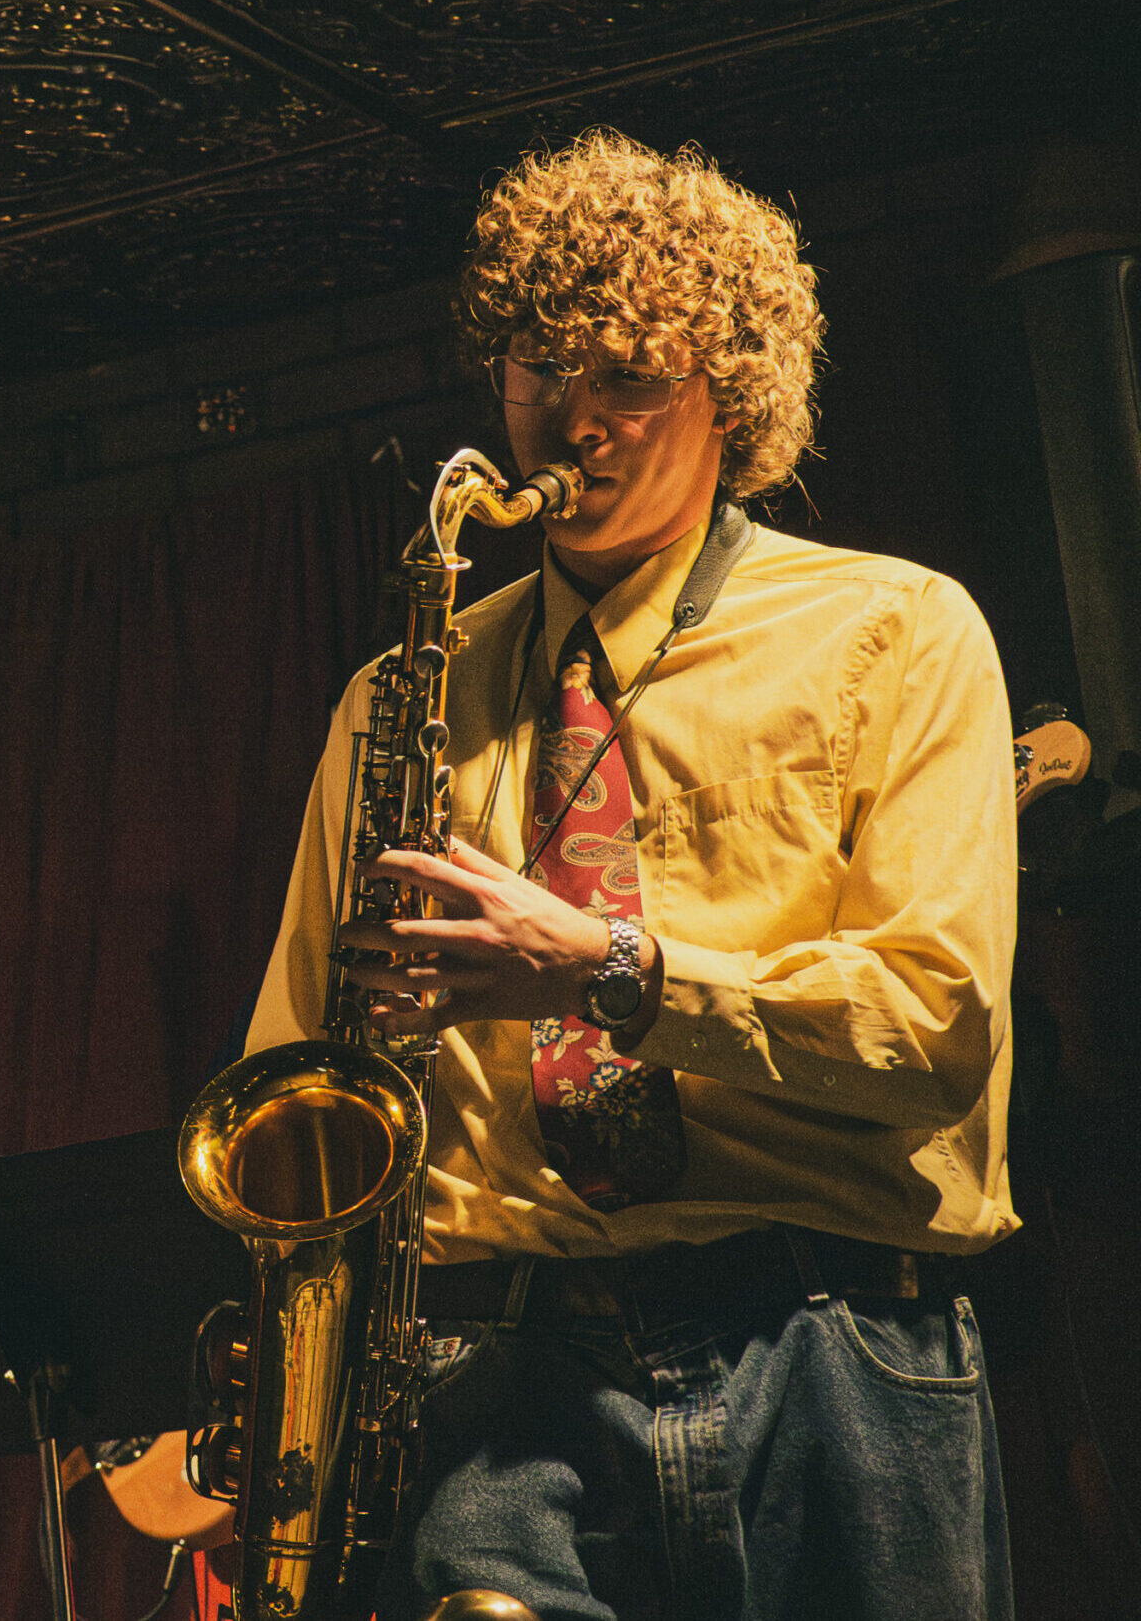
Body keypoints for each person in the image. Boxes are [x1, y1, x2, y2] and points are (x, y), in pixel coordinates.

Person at [238, 130, 1017, 1620]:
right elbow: (300, 1081)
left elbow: (935, 1028)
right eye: (539, 368)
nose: (572, 422)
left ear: (734, 399)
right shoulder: (402, 692)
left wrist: (603, 971)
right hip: (495, 1375)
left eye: (629, 379)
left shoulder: (898, 631)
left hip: (827, 1345)